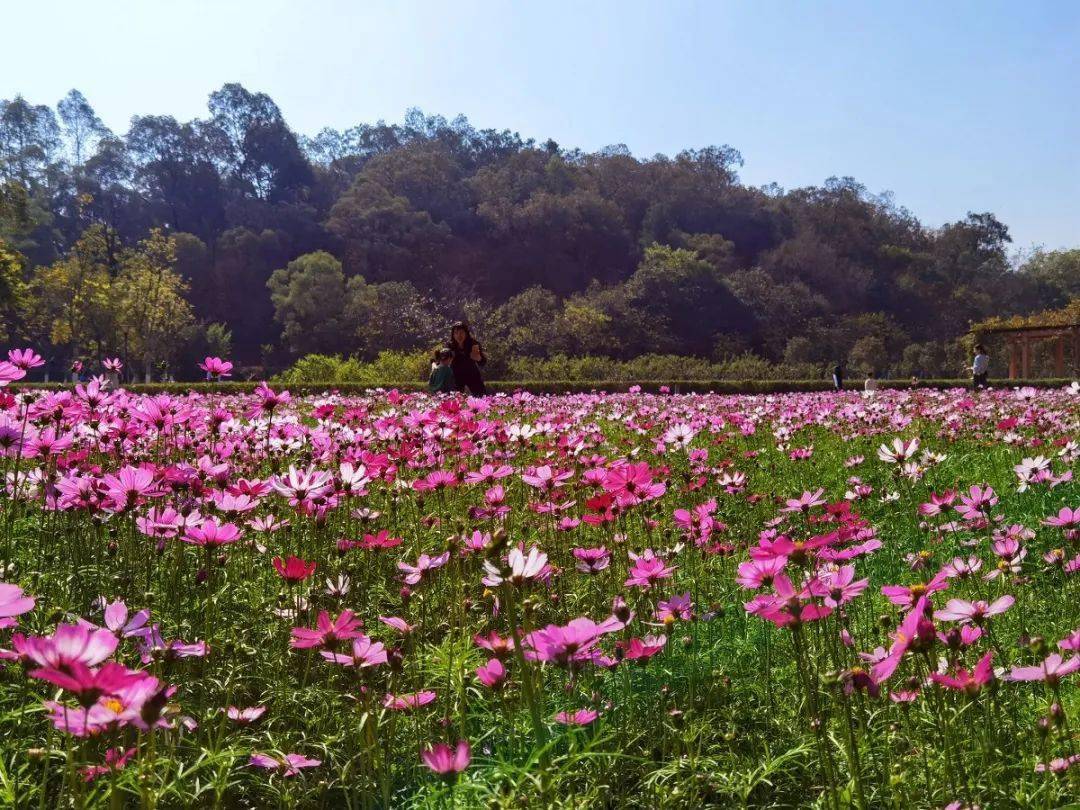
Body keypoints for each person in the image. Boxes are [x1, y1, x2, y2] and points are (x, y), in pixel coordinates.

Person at [446, 321, 487, 395]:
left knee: (482, 396)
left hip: (472, 375)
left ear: (466, 333)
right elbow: (445, 362)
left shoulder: (473, 344)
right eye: (456, 333)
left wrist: (479, 358)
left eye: (461, 332)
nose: (459, 335)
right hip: (456, 376)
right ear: (453, 335)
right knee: (453, 398)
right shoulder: (450, 345)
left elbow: (483, 362)